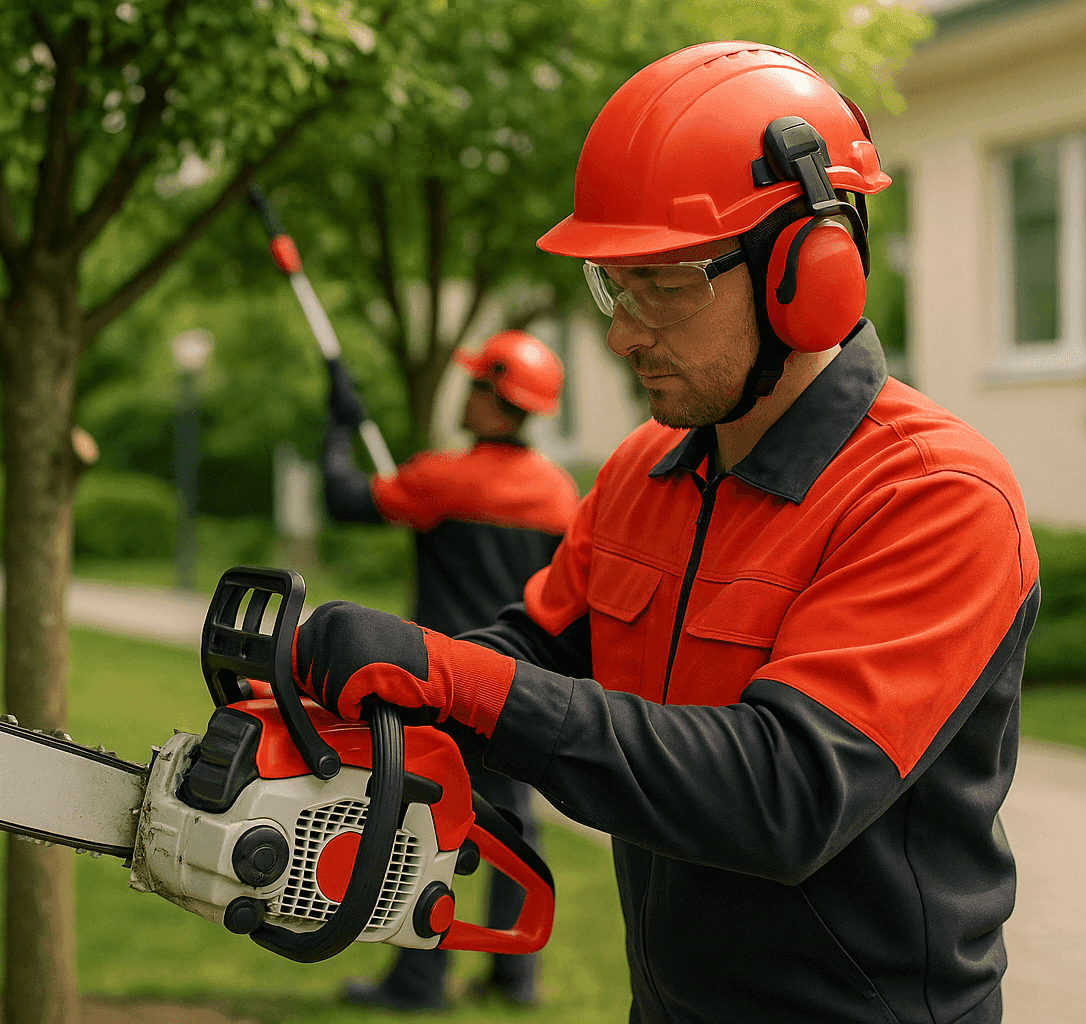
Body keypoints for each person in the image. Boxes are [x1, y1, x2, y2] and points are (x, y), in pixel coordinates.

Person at [290, 41, 1040, 1024]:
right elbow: (535, 653)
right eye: (614, 283)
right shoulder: (647, 467)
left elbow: (784, 792)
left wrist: (456, 677)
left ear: (809, 267)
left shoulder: (935, 496)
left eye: (665, 284)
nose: (622, 331)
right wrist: (363, 717)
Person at [318, 329, 579, 1011]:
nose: (464, 394)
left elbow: (344, 499)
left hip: (441, 685)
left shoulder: (441, 479)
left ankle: (416, 983)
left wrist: (338, 426)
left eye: (475, 386)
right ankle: (513, 975)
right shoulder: (560, 496)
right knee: (512, 827)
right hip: (521, 685)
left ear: (498, 400)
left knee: (424, 828)